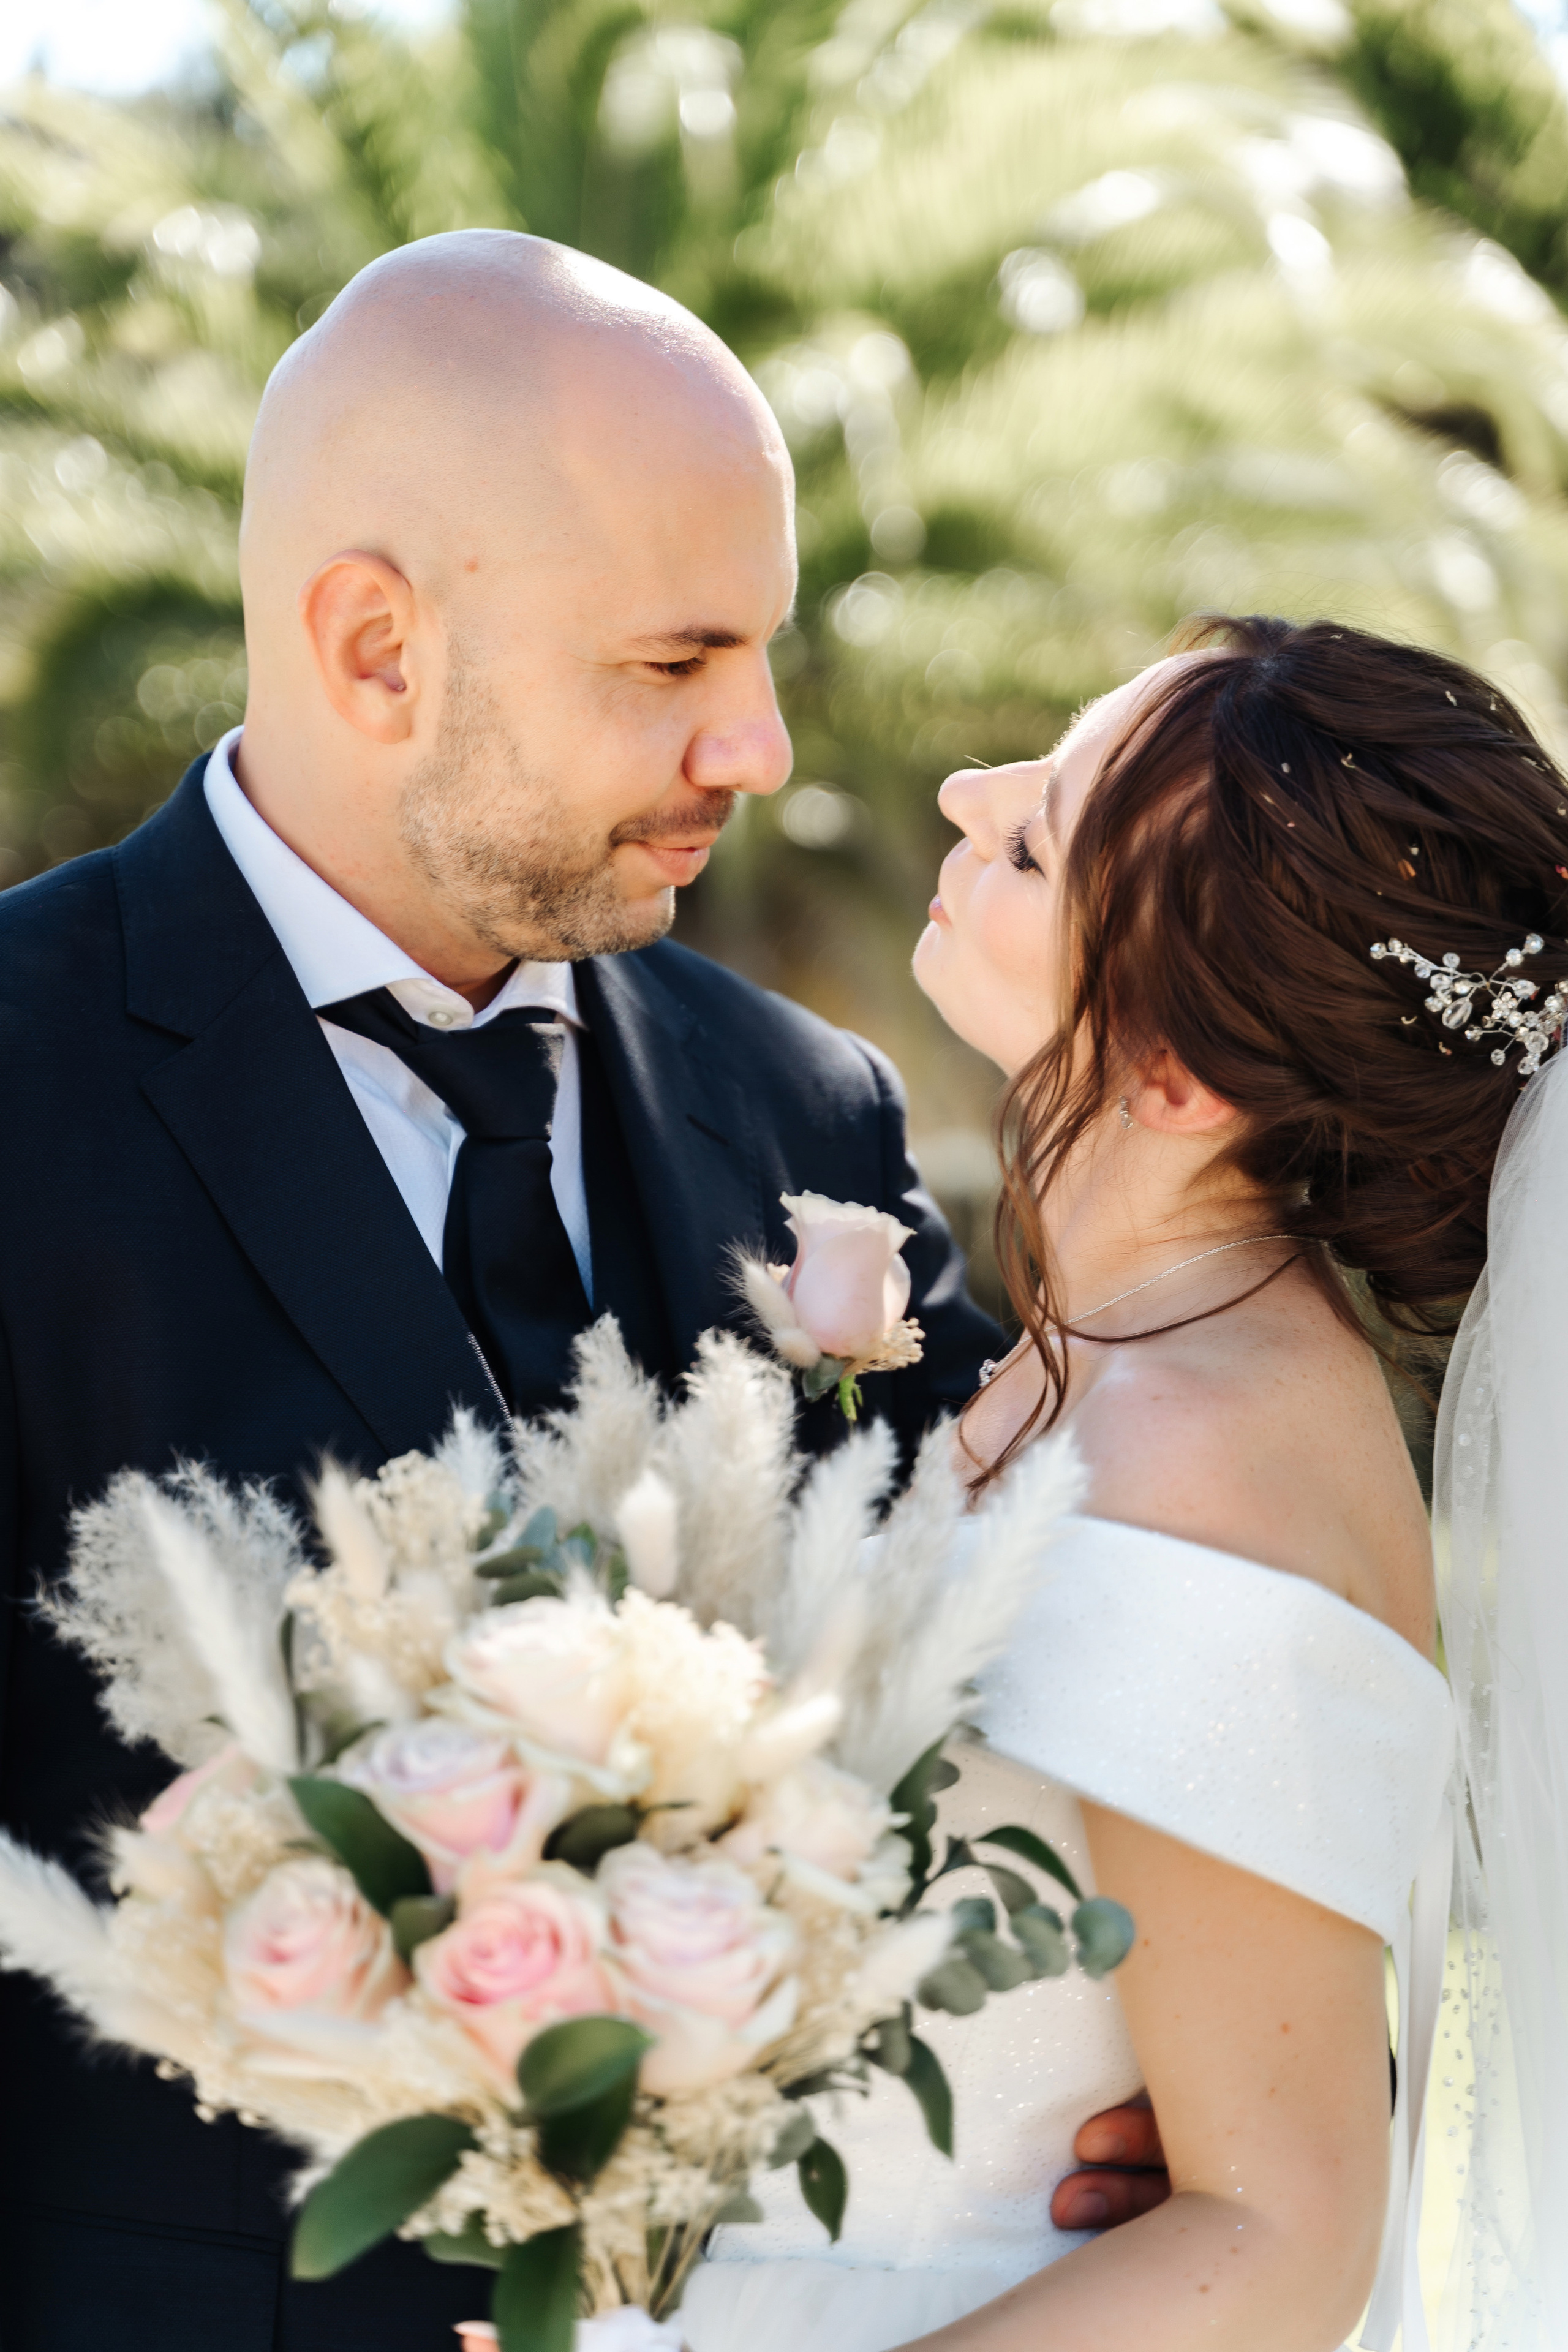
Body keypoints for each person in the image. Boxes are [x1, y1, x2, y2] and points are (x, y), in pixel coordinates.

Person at [0, 232, 1006, 2352]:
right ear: (377, 647)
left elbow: (1014, 1695)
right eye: (673, 662)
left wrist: (1066, 2101)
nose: (757, 746)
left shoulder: (805, 1106)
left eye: (762, 650)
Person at [680, 612, 1568, 2352]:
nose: (963, 791)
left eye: (1035, 841)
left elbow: (1284, 2237)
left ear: (1176, 1073)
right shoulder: (1089, 1363)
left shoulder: (1195, 1452)